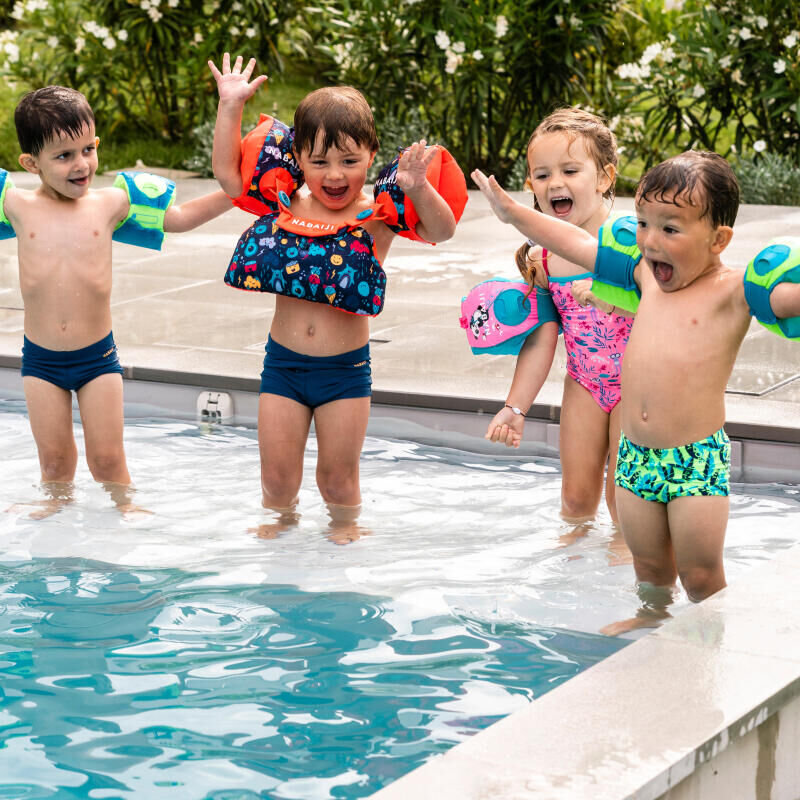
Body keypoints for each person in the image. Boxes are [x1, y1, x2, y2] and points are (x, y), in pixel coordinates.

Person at [472, 150, 800, 630]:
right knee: (649, 571)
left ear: (718, 239)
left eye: (671, 228)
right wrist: (513, 213)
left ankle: (714, 650)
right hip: (635, 458)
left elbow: (788, 298)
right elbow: (578, 243)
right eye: (644, 223)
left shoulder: (734, 293)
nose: (650, 241)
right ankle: (651, 623)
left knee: (702, 576)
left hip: (694, 460)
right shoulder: (646, 276)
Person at [208, 54, 461, 543]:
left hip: (344, 372)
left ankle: (345, 538)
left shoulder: (378, 213)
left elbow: (442, 229)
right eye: (319, 161)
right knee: (277, 482)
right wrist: (230, 107)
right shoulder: (284, 199)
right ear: (298, 157)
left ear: (372, 154)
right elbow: (226, 175)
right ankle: (282, 538)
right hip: (281, 365)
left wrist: (420, 187)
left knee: (337, 481)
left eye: (350, 160)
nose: (335, 174)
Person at [1, 85, 232, 517]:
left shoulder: (111, 202)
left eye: (88, 149)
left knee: (107, 459)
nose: (82, 164)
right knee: (54, 464)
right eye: (64, 155)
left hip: (96, 359)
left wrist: (234, 196)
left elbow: (177, 219)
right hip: (40, 361)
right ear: (31, 163)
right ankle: (57, 512)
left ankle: (125, 506)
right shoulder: (17, 205)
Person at [483, 109, 634, 526]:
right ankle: (571, 574)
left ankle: (625, 576)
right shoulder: (543, 259)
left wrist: (611, 299)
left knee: (625, 505)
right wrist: (517, 406)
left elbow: (664, 308)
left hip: (639, 386)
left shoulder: (626, 242)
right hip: (585, 383)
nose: (556, 184)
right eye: (543, 175)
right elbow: (542, 340)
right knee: (575, 502)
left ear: (604, 178)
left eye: (570, 170)